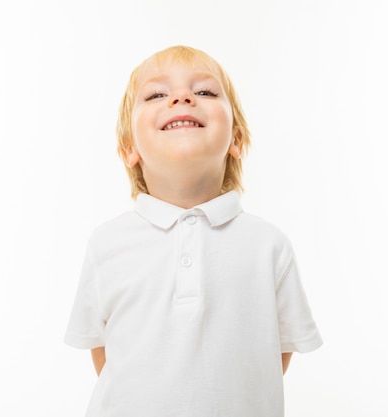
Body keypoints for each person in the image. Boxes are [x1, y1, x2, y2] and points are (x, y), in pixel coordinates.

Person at [64, 45, 322, 417]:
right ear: (128, 149)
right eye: (156, 94)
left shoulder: (268, 246)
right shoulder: (107, 245)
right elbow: (104, 350)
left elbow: (274, 353)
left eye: (204, 92)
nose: (182, 98)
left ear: (235, 139)